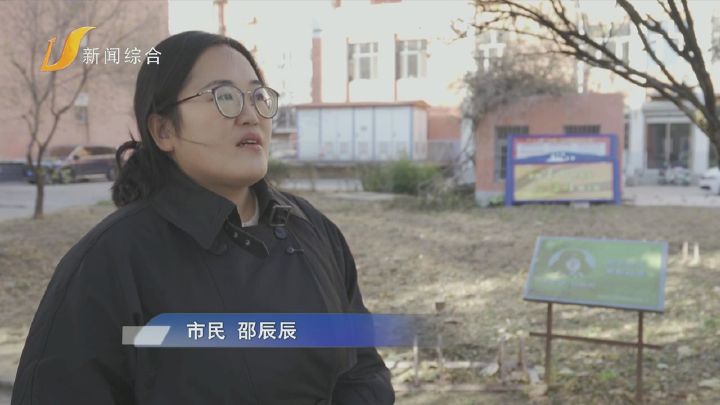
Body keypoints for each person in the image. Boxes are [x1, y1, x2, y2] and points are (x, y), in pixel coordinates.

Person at [11, 31, 395, 405]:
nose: (250, 114)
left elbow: (362, 369)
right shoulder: (108, 262)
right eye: (224, 96)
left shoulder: (312, 228)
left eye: (258, 96)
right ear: (164, 130)